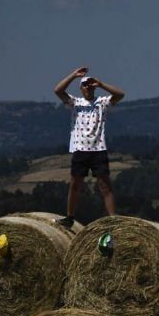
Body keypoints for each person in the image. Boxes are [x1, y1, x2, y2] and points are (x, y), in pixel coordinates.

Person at [53, 67, 125, 228]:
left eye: (90, 85)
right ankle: (69, 217)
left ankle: (113, 219)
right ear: (80, 88)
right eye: (85, 85)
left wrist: (101, 84)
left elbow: (120, 94)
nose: (88, 87)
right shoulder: (75, 103)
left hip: (98, 149)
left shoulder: (102, 103)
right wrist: (73, 75)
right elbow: (58, 90)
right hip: (80, 150)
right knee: (75, 184)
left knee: (105, 185)